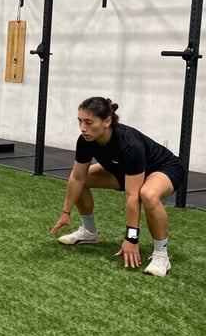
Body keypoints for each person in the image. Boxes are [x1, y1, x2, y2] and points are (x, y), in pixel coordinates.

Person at [50, 97, 185, 277]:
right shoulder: (85, 140)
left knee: (148, 195)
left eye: (89, 122)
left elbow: (132, 196)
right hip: (125, 170)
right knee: (85, 178)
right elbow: (77, 178)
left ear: (107, 121)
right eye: (80, 121)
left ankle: (161, 255)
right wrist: (66, 213)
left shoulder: (128, 143)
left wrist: (131, 238)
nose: (83, 128)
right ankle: (90, 233)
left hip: (163, 168)